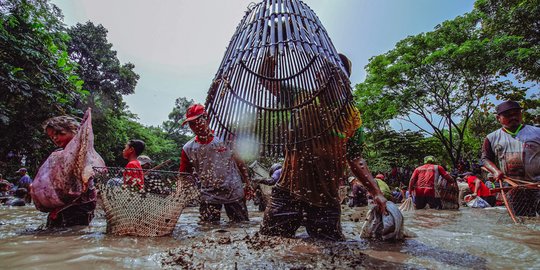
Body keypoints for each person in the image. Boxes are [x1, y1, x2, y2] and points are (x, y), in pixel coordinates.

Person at [259, 54, 388, 241]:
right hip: (288, 190)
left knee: (332, 250)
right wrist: (275, 50)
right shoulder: (300, 97)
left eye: (333, 71)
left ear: (344, 79)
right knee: (268, 242)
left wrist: (376, 193)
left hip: (325, 196)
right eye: (322, 71)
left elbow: (355, 158)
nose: (323, 75)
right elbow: (268, 81)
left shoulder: (350, 114)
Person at [179, 104, 253, 223]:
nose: (195, 126)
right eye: (191, 124)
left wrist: (248, 184)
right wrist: (182, 193)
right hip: (208, 194)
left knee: (241, 225)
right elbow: (183, 175)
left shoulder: (225, 137)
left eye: (197, 121)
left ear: (206, 119)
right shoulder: (188, 148)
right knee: (207, 229)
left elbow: (240, 162)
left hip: (233, 190)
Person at [481, 100, 540, 215]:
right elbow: (485, 159)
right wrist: (495, 171)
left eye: (516, 114)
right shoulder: (491, 138)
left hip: (537, 184)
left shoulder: (536, 132)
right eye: (508, 115)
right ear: (498, 118)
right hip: (513, 187)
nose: (513, 117)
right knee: (521, 220)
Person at [43, 115, 96, 227]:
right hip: (62, 203)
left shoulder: (83, 153)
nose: (55, 138)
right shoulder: (59, 153)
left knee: (73, 234)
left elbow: (84, 179)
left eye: (60, 134)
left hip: (80, 204)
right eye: (52, 136)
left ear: (75, 132)